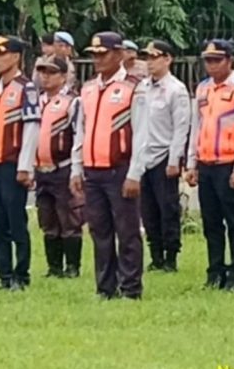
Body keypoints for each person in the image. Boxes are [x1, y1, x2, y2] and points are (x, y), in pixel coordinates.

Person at [71, 31, 148, 300]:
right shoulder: (89, 88)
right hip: (93, 169)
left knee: (127, 231)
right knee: (99, 231)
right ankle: (105, 287)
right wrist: (76, 167)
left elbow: (142, 133)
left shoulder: (134, 87)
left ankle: (130, 287)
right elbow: (81, 130)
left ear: (119, 54)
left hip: (120, 168)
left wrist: (135, 173)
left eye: (103, 54)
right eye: (94, 55)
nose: (97, 60)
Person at [186, 40, 234, 292]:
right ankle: (215, 271)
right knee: (211, 223)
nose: (212, 65)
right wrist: (191, 162)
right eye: (208, 60)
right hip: (206, 163)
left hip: (229, 164)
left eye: (217, 60)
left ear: (229, 61)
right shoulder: (203, 89)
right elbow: (196, 126)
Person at [0, 35, 40, 291]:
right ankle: (3, 274)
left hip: (12, 164)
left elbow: (31, 129)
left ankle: (21, 274)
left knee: (16, 222)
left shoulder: (26, 88)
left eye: (2, 53)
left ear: (16, 57)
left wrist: (25, 166)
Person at [139, 39, 191, 272]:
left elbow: (181, 127)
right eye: (147, 58)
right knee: (148, 210)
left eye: (154, 57)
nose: (149, 62)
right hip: (144, 157)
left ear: (167, 59)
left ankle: (171, 256)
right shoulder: (142, 87)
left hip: (164, 156)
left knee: (167, 208)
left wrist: (174, 159)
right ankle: (156, 255)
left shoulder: (176, 90)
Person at [35, 55, 84, 278]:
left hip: (63, 167)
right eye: (42, 72)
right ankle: (53, 267)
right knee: (47, 218)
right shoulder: (36, 101)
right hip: (41, 169)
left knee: (69, 217)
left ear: (64, 76)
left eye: (51, 72)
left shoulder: (72, 102)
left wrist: (76, 169)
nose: (45, 77)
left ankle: (72, 266)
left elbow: (78, 135)